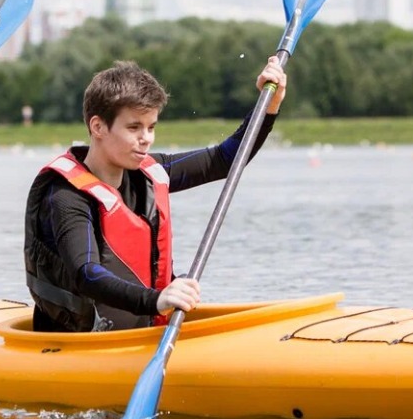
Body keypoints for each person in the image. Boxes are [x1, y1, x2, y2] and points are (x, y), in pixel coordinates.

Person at [23, 57, 287, 333]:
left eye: (151, 127)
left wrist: (269, 105)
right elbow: (86, 273)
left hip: (146, 327)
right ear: (98, 127)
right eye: (134, 127)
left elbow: (225, 158)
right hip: (80, 342)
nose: (146, 138)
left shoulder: (150, 172)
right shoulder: (66, 196)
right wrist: (157, 300)